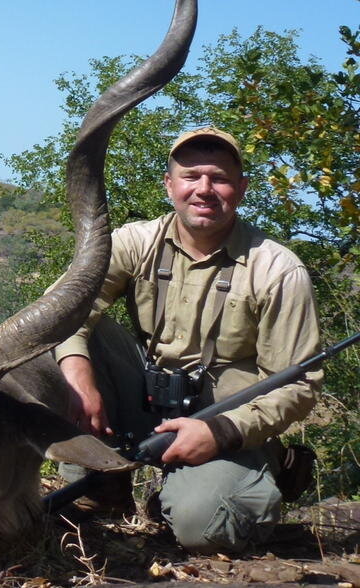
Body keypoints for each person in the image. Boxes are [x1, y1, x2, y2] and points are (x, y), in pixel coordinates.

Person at [54, 127, 321, 552]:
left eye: (219, 178)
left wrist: (223, 431)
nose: (204, 189)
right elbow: (61, 311)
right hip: (145, 401)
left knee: (205, 528)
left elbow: (297, 385)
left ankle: (246, 475)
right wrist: (76, 371)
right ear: (169, 185)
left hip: (223, 425)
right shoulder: (133, 242)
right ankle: (99, 486)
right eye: (191, 176)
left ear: (242, 188)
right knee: (56, 340)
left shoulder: (278, 270)